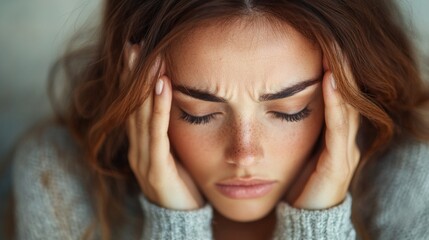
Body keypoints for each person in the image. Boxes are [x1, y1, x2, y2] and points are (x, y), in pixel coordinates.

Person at [12, 0, 429, 239]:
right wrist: (173, 226)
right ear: (133, 93)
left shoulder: (413, 186)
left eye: (290, 110)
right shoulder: (59, 176)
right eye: (198, 113)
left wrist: (319, 227)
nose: (244, 154)